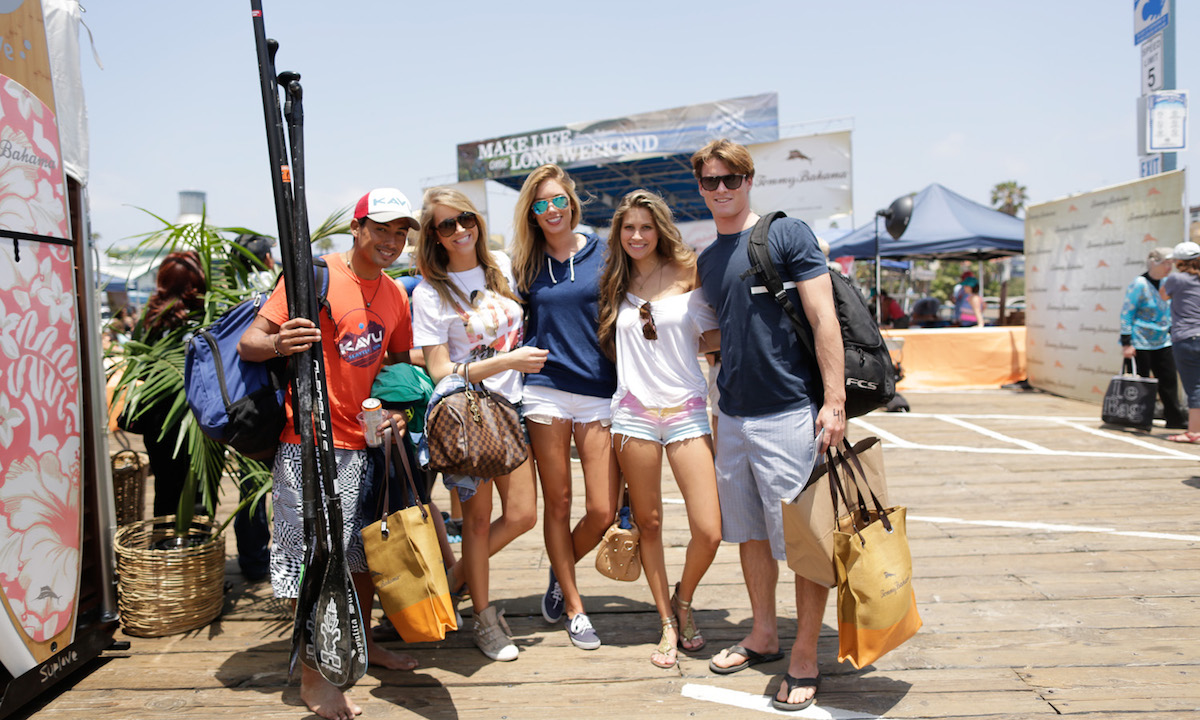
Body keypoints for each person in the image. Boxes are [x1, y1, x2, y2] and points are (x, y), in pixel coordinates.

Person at [237, 188, 421, 720]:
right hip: (310, 446)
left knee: (363, 561)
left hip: (366, 449)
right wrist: (279, 343)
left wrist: (397, 412)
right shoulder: (313, 278)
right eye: (381, 228)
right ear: (357, 228)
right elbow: (252, 341)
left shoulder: (395, 296)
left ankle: (357, 652)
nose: (391, 241)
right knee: (318, 565)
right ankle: (316, 678)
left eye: (401, 231)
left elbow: (399, 372)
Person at [692, 139, 845, 712]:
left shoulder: (787, 234)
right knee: (750, 534)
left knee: (803, 543)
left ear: (749, 180)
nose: (722, 189)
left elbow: (822, 316)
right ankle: (763, 633)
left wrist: (833, 402)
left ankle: (804, 655)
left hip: (788, 412)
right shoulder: (707, 259)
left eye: (732, 178)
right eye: (711, 181)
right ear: (701, 187)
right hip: (732, 414)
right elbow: (725, 335)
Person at [411, 187, 546, 661]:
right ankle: (485, 622)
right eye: (446, 225)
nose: (459, 230)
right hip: (467, 417)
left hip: (511, 411)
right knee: (475, 522)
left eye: (464, 218)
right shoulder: (429, 292)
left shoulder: (502, 267)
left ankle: (451, 582)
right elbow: (440, 372)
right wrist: (505, 360)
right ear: (434, 235)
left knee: (524, 514)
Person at [596, 189, 722, 668]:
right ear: (619, 233)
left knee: (709, 529)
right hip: (633, 414)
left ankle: (684, 597)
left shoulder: (690, 269)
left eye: (646, 227)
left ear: (660, 229)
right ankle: (667, 620)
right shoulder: (613, 280)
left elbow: (714, 333)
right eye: (628, 228)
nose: (637, 235)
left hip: (687, 409)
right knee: (648, 523)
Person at [510, 164, 619, 650]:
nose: (551, 210)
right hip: (546, 390)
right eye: (540, 204)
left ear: (571, 203)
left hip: (599, 390)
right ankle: (576, 609)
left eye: (558, 200)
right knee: (558, 503)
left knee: (601, 509)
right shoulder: (523, 266)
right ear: (532, 215)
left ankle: (561, 570)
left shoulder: (607, 253)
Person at [136, 251, 206, 518]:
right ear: (196, 281)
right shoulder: (203, 318)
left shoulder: (150, 319)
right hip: (196, 415)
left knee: (165, 485)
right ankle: (197, 549)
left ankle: (165, 549)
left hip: (158, 417)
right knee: (197, 487)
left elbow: (139, 367)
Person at [231, 234, 275, 583]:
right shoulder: (268, 290)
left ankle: (253, 559)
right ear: (265, 259)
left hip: (239, 405)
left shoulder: (227, 289)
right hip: (267, 403)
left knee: (251, 487)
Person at [1120, 247, 1187, 431]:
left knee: (1168, 380)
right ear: (1154, 263)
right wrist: (1127, 343)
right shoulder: (1139, 284)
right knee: (1141, 383)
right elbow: (1127, 313)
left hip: (1163, 340)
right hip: (1140, 341)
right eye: (1166, 263)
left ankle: (1174, 418)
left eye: (1171, 263)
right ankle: (1139, 418)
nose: (1169, 267)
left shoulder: (1168, 282)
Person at [1159, 241, 1200, 443]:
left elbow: (1163, 294)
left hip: (1186, 337)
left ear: (1180, 261)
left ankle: (1193, 432)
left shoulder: (1177, 279)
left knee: (1194, 387)